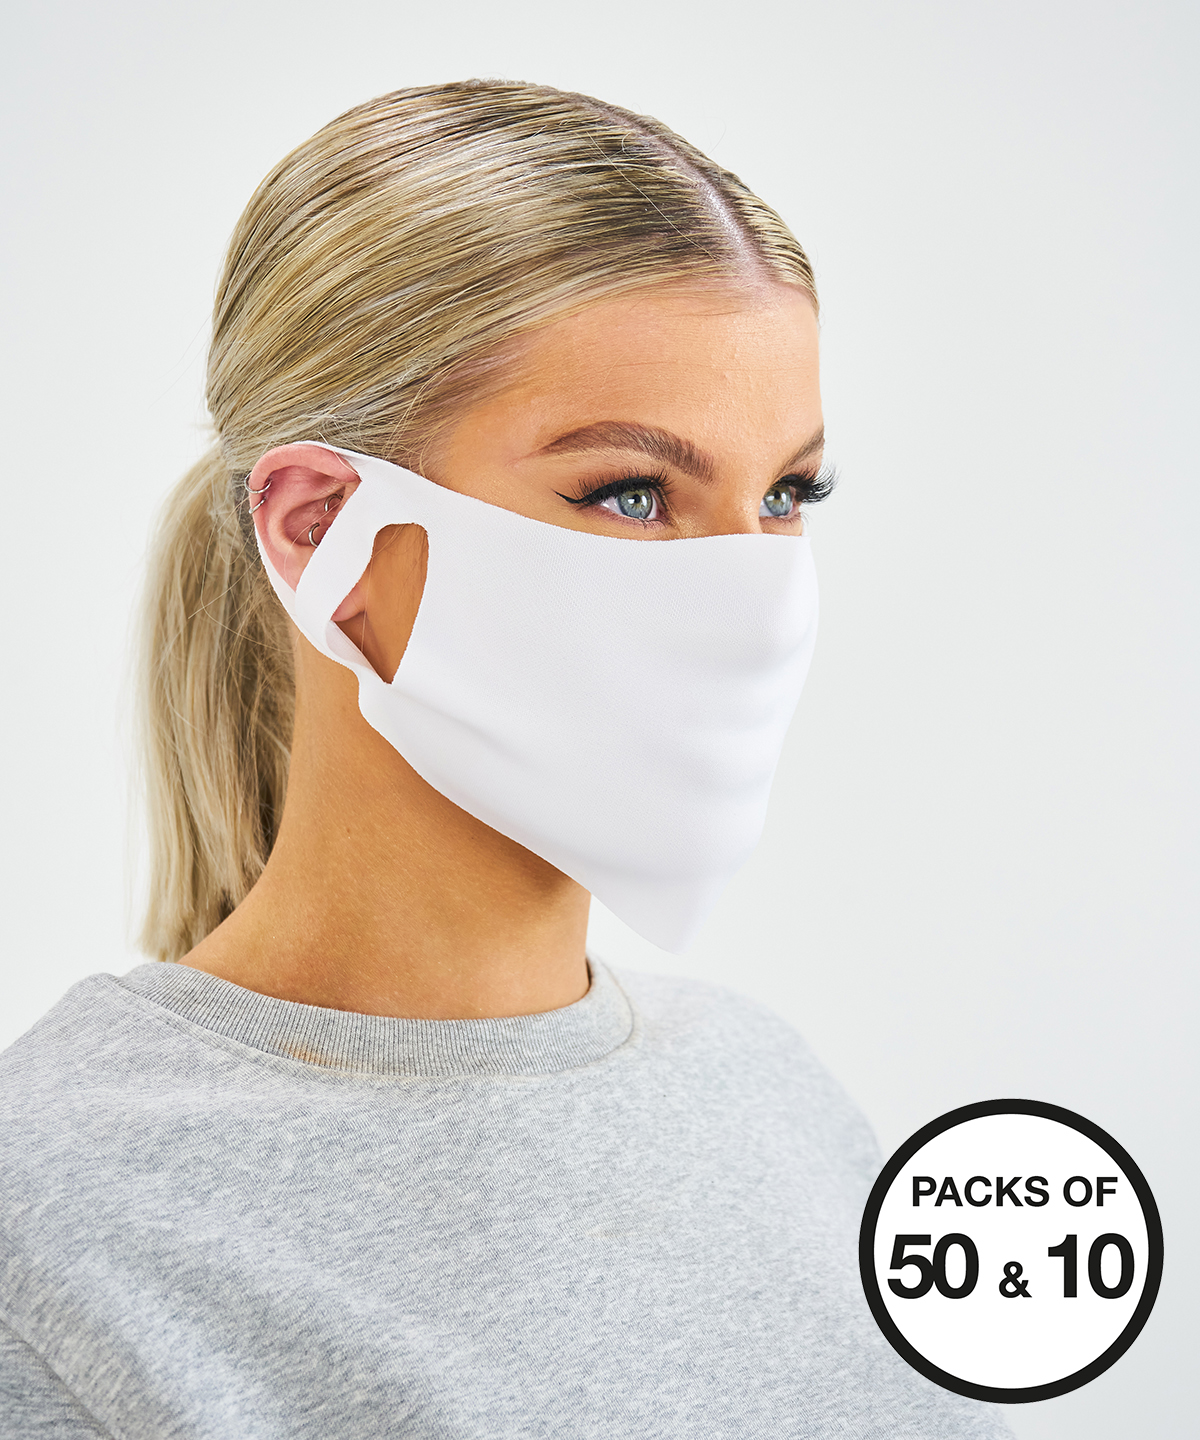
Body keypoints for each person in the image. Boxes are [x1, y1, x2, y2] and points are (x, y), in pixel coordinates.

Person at [0, 81, 1011, 1437]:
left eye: (786, 494)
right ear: (324, 534)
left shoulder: (775, 1098)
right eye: (633, 493)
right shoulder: (58, 1224)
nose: (755, 594)